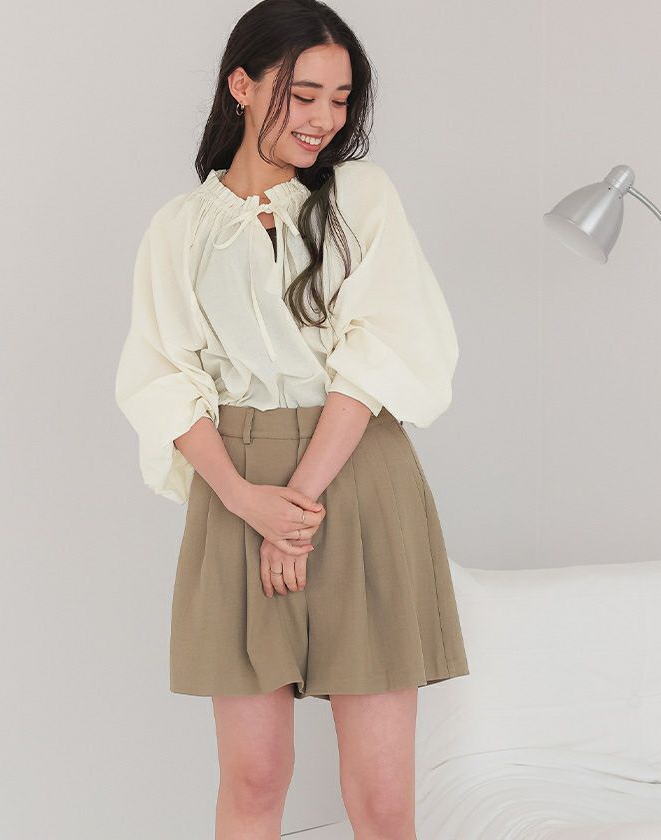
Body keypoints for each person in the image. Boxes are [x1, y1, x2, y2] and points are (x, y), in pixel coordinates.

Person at [114, 0, 469, 836]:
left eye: (341, 99)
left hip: (357, 472)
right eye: (303, 94)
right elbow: (162, 378)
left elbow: (379, 354)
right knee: (254, 778)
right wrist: (247, 501)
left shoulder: (361, 198)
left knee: (381, 797)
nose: (324, 119)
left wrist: (294, 511)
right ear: (241, 85)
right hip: (234, 485)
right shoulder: (179, 229)